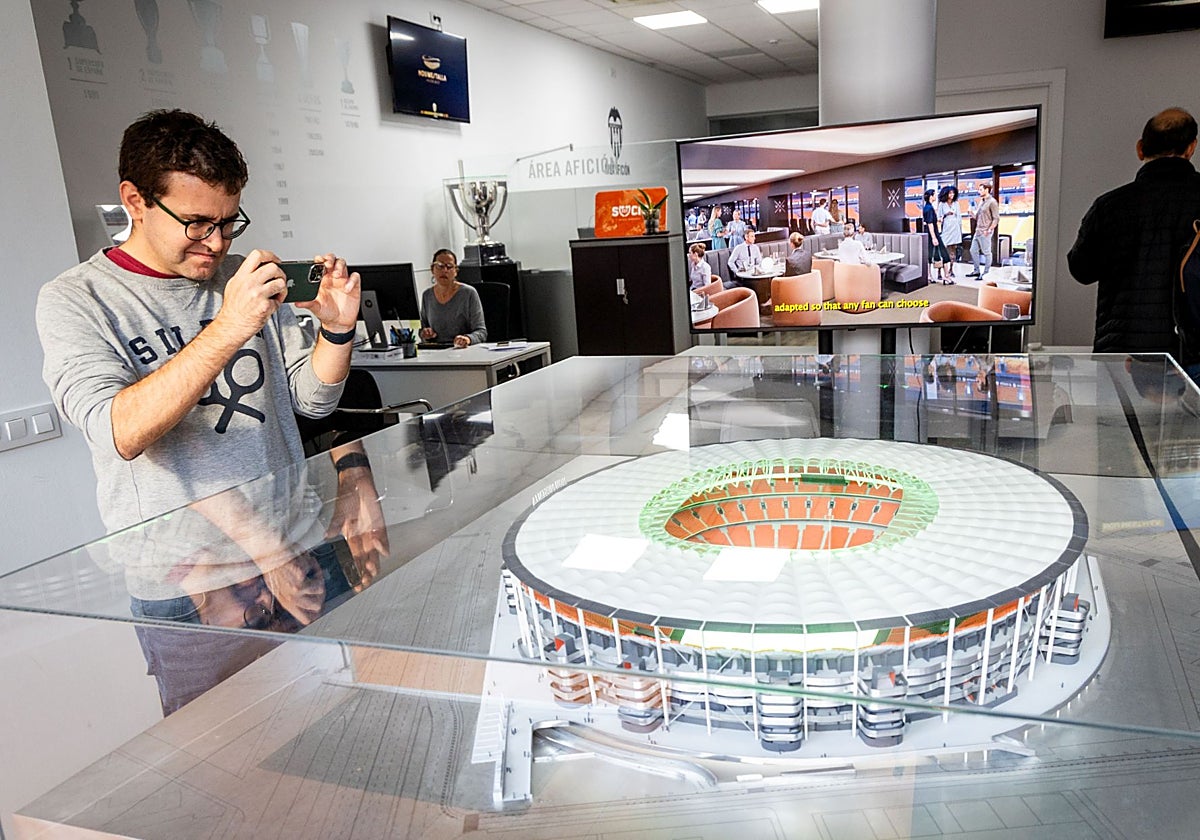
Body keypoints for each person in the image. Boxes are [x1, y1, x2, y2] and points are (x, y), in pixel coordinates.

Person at [36, 109, 360, 537]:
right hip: (187, 571)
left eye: (228, 223)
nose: (217, 243)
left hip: (295, 531)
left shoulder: (243, 275)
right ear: (135, 201)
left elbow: (312, 403)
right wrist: (230, 325)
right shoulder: (77, 298)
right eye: (197, 224)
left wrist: (337, 331)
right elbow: (121, 433)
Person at [1068, 107, 1200, 361]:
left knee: (1118, 403)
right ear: (1191, 148)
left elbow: (1080, 270)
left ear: (1140, 149)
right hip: (1191, 354)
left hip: (1120, 354)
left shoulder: (1109, 206)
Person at [419, 249, 487, 348]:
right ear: (432, 269)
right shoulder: (427, 295)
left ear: (455, 271)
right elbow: (423, 328)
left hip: (463, 350)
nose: (444, 270)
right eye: (440, 266)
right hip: (436, 351)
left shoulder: (468, 293)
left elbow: (481, 332)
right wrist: (425, 333)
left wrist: (468, 339)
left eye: (449, 267)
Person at [967, 182, 999, 279]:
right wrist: (971, 213)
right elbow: (977, 217)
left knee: (986, 252)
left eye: (981, 189)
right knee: (973, 250)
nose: (979, 191)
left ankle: (986, 273)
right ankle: (976, 270)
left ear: (987, 190)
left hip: (985, 231)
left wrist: (989, 230)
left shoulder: (992, 202)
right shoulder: (981, 201)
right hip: (978, 231)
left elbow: (996, 218)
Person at [923, 188, 951, 284]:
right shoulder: (929, 208)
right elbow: (930, 223)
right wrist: (934, 237)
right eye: (934, 195)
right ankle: (946, 276)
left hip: (931, 234)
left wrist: (938, 220)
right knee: (943, 254)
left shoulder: (927, 207)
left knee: (931, 255)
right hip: (933, 234)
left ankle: (930, 275)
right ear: (931, 196)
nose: (936, 196)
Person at [938, 186, 963, 268]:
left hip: (955, 228)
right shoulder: (942, 204)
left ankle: (951, 269)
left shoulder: (956, 204)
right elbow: (939, 217)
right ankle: (940, 271)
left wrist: (960, 230)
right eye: (950, 193)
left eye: (953, 193)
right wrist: (946, 214)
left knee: (953, 250)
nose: (952, 194)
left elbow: (959, 217)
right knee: (943, 249)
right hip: (946, 228)